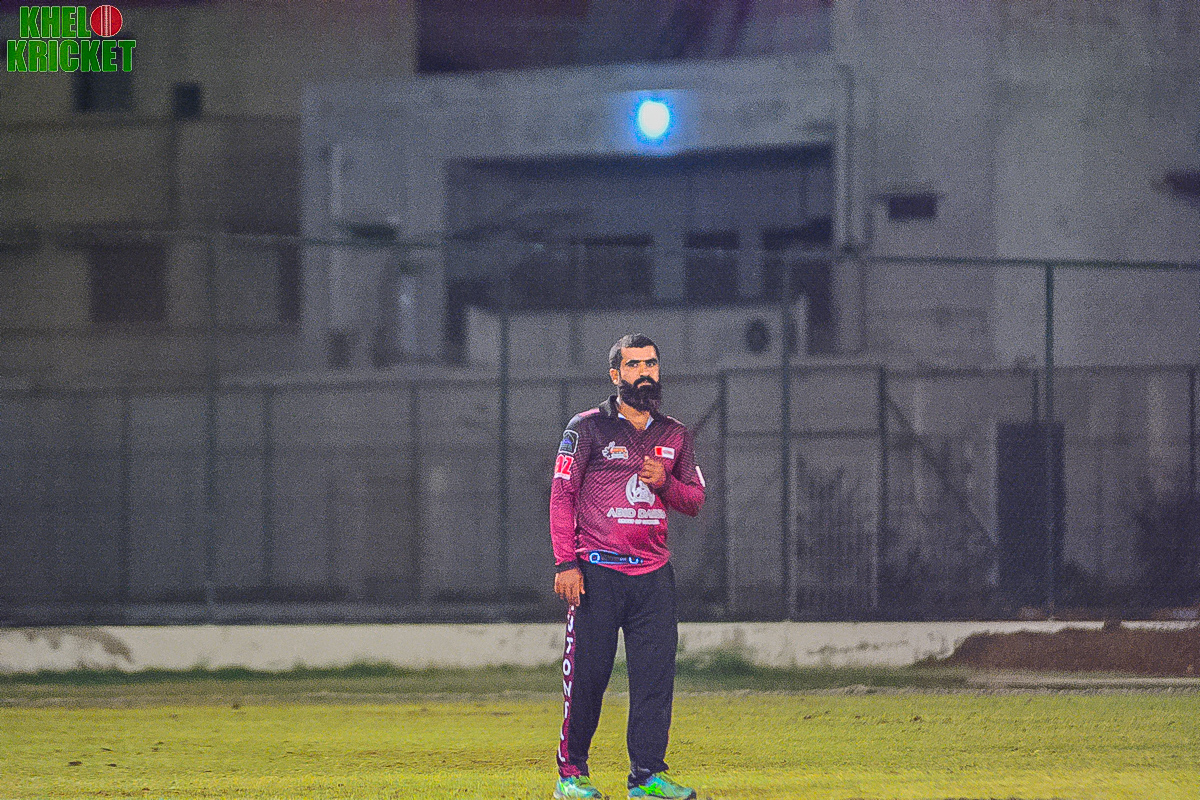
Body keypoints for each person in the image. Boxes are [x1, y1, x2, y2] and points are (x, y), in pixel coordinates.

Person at [550, 334, 706, 800]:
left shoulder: (675, 434)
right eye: (634, 365)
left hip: (654, 577)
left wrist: (665, 484)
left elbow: (694, 500)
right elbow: (562, 496)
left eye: (651, 364)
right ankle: (571, 775)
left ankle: (647, 776)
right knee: (588, 679)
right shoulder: (588, 427)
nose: (644, 373)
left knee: (655, 680)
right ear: (615, 374)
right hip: (596, 574)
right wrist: (566, 563)